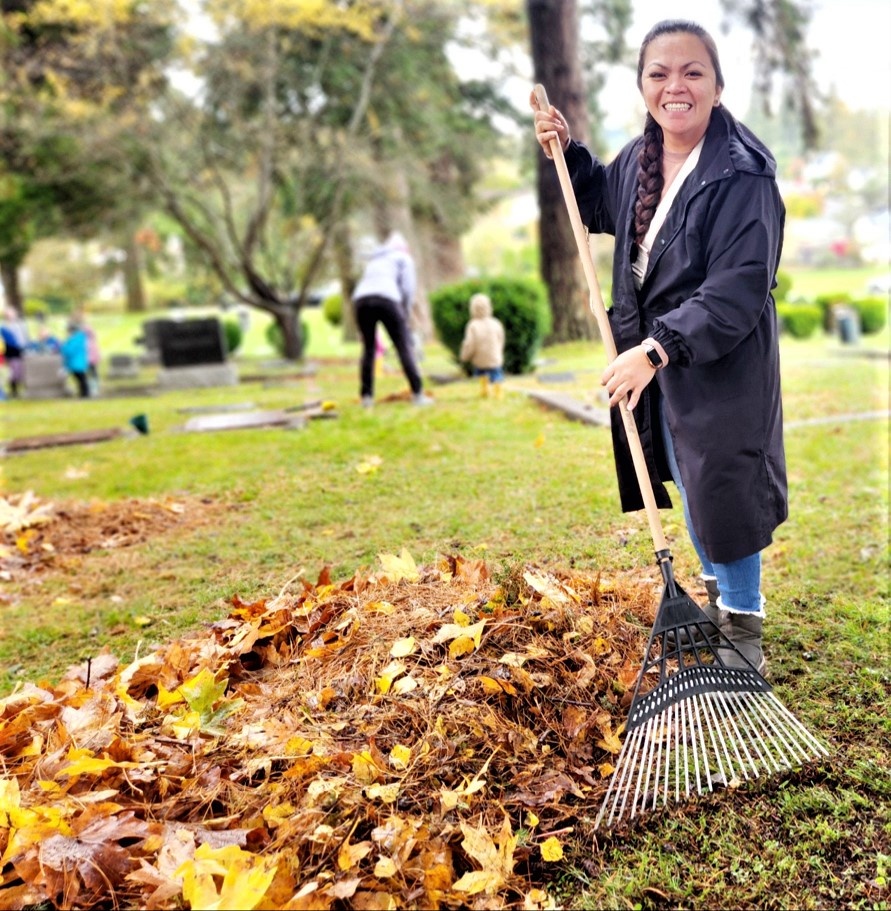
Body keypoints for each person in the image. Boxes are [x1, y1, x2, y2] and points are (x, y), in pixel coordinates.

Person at [532, 19, 787, 675]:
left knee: (723, 488)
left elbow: (737, 288)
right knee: (692, 483)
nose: (675, 85)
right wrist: (567, 152)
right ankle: (716, 599)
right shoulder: (643, 157)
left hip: (715, 359)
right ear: (643, 86)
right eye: (658, 73)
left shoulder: (742, 174)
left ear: (716, 84)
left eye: (691, 71)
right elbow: (598, 202)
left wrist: (654, 349)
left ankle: (743, 626)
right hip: (659, 360)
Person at [351, 232, 432, 408]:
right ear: (404, 248)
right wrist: (404, 312)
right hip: (387, 300)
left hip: (361, 301)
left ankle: (366, 398)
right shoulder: (404, 258)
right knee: (402, 345)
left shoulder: (375, 259)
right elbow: (408, 288)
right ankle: (418, 394)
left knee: (369, 349)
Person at [459, 292, 506, 398]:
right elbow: (501, 339)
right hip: (494, 357)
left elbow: (469, 343)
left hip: (480, 359)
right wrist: (499, 352)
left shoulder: (472, 325)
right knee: (496, 374)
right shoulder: (496, 323)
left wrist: (464, 355)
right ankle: (498, 393)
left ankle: (485, 390)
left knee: (482, 373)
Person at [1, 307, 29, 398]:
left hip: (22, 351)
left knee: (21, 371)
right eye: (9, 314)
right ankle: (14, 391)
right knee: (13, 372)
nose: (11, 316)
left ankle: (19, 390)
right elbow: (6, 342)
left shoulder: (20, 325)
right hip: (11, 352)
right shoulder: (4, 327)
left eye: (12, 313)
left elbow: (25, 338)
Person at [61, 319, 91, 398]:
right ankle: (84, 393)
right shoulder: (80, 338)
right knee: (82, 379)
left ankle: (85, 394)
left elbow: (69, 350)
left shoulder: (75, 339)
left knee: (81, 379)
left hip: (76, 363)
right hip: (79, 362)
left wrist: (63, 347)